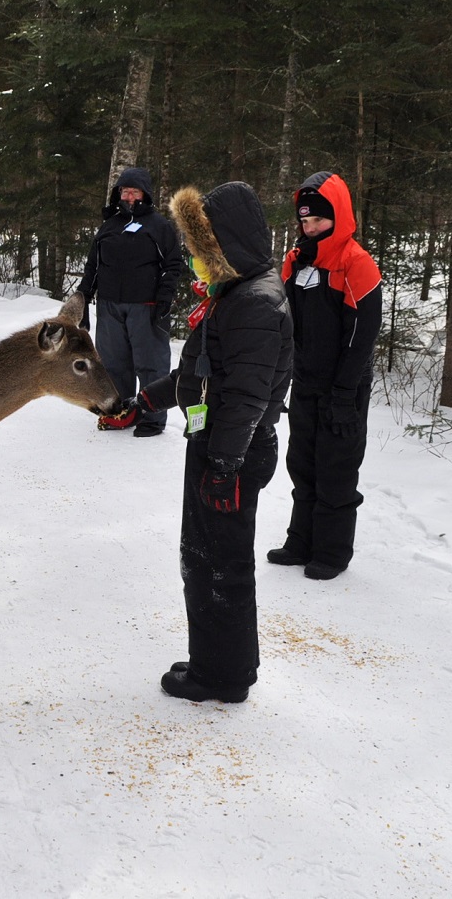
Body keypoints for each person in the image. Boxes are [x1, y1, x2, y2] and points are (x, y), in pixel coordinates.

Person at [121, 182, 293, 703]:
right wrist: (151, 398)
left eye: (200, 248)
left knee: (220, 563)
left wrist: (222, 464)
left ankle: (222, 677)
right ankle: (219, 660)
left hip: (231, 453)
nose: (194, 259)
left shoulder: (255, 303)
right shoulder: (235, 293)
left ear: (226, 244)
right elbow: (203, 373)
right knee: (203, 557)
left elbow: (246, 394)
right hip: (220, 445)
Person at [268, 172, 382, 581]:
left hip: (344, 387)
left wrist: (343, 391)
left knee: (336, 468)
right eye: (305, 222)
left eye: (319, 220)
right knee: (302, 463)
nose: (311, 228)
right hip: (305, 381)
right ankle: (301, 541)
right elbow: (286, 324)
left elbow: (362, 336)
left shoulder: (357, 263)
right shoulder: (297, 261)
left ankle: (332, 552)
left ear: (339, 216)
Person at [81, 167, 183, 437]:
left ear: (144, 194)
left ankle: (152, 417)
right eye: (124, 191)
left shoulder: (159, 225)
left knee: (150, 364)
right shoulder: (109, 225)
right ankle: (120, 412)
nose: (128, 196)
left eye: (133, 191)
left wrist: (164, 297)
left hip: (146, 306)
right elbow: (93, 266)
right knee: (113, 363)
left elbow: (173, 265)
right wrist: (82, 299)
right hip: (109, 306)